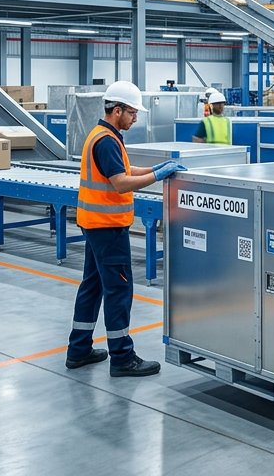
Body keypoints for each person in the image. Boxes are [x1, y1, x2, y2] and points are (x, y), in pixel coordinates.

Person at [67, 81, 187, 377]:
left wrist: (157, 167)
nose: (135, 118)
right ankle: (122, 357)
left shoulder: (103, 135)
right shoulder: (106, 140)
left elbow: (125, 170)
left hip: (94, 226)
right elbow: (120, 183)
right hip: (108, 228)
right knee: (118, 290)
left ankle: (78, 350)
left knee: (92, 287)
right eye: (132, 113)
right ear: (117, 110)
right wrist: (159, 176)